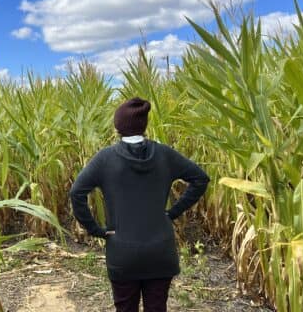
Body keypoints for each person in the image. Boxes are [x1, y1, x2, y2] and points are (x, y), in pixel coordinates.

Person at [69, 97, 210, 312]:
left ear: (118, 126)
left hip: (122, 253)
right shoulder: (165, 154)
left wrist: (96, 230)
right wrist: (172, 213)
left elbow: (77, 193)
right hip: (160, 253)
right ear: (144, 126)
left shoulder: (105, 159)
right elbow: (201, 179)